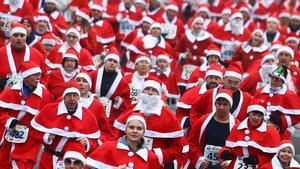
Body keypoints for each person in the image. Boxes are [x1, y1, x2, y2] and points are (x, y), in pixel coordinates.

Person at [114, 79, 186, 168]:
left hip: (155, 163)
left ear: (159, 94)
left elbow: (177, 147)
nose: (150, 93)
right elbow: (117, 138)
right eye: (147, 89)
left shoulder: (169, 116)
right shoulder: (130, 110)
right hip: (127, 160)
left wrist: (156, 154)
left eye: (154, 90)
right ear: (142, 91)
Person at [30, 81, 100, 169]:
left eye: (75, 95)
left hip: (72, 164)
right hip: (48, 159)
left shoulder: (88, 115)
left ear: (79, 97)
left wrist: (88, 143)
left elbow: (94, 140)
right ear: (63, 96)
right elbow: (34, 130)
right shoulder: (49, 109)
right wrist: (46, 136)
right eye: (68, 95)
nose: (72, 98)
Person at [0, 61, 53, 169]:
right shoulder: (10, 91)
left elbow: (47, 120)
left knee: (22, 164)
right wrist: (8, 120)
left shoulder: (45, 95)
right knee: (4, 162)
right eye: (34, 75)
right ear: (25, 76)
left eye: (39, 74)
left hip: (30, 139)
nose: (38, 78)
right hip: (8, 135)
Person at [218, 99, 280, 168]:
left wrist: (258, 159)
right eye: (254, 114)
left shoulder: (271, 132)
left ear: (263, 117)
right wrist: (225, 152)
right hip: (236, 165)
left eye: (259, 115)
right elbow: (229, 147)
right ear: (248, 114)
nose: (256, 118)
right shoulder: (237, 128)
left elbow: (274, 156)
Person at [188, 89, 239, 169]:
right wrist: (199, 159)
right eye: (219, 104)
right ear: (215, 104)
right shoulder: (202, 121)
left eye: (225, 104)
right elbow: (192, 143)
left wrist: (230, 162)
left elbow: (239, 150)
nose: (221, 107)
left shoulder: (237, 125)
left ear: (230, 106)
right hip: (203, 165)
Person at [87, 114, 161, 169]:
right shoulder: (108, 147)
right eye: (131, 127)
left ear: (144, 132)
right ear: (125, 130)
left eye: (139, 128)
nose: (135, 131)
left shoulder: (151, 157)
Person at [254, 65, 300, 140]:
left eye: (277, 79)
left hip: (279, 132)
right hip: (258, 129)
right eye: (272, 77)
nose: (273, 80)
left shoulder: (289, 95)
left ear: (282, 81)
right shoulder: (261, 91)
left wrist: (281, 120)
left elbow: (297, 116)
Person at [0, 23, 48, 92]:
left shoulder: (36, 54)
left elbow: (44, 76)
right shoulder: (1, 52)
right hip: (3, 96)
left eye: (22, 35)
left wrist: (38, 88)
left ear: (26, 37)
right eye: (15, 35)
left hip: (29, 96)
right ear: (10, 37)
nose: (19, 38)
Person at [176, 63, 223, 132]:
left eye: (216, 78)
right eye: (211, 78)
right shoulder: (192, 93)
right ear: (206, 79)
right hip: (195, 130)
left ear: (221, 81)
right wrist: (187, 121)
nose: (213, 81)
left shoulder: (224, 94)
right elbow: (179, 114)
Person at [90, 47, 130, 125]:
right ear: (105, 61)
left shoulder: (122, 81)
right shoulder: (94, 74)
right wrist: (92, 96)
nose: (112, 63)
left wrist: (119, 101)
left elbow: (127, 100)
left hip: (110, 115)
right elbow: (85, 89)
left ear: (117, 65)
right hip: (92, 109)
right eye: (110, 60)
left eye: (115, 62)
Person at [75, 73, 114, 141]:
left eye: (84, 81)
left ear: (89, 86)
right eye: (78, 80)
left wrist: (93, 141)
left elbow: (104, 130)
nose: (81, 83)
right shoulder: (65, 100)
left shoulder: (97, 105)